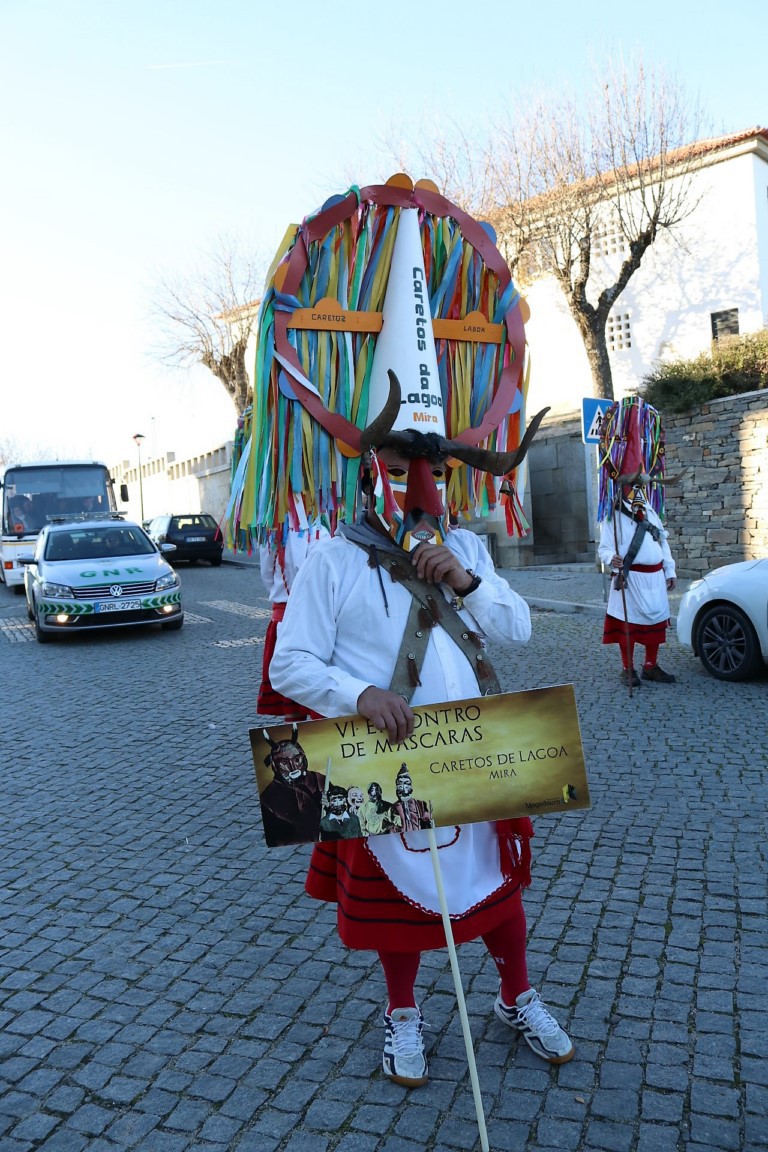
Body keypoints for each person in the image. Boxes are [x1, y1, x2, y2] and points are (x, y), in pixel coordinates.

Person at [270, 417, 574, 1088]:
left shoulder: (467, 545)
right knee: (399, 896)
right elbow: (290, 665)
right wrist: (360, 694)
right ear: (373, 474)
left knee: (496, 883)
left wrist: (467, 582)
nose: (418, 486)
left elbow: (518, 629)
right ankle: (403, 1013)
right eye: (400, 470)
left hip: (476, 752)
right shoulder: (332, 558)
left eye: (429, 471)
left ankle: (516, 996)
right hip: (385, 762)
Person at [597, 397, 677, 687]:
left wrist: (670, 571)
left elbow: (662, 542)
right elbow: (604, 548)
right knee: (628, 628)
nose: (639, 490)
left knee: (654, 627)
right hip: (629, 580)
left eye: (641, 486)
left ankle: (651, 666)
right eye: (634, 486)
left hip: (654, 579)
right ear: (624, 488)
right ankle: (628, 669)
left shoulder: (652, 513)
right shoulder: (612, 517)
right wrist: (610, 559)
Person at [257, 524, 330, 720]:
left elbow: (267, 577)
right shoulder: (320, 533)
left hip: (284, 618)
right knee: (317, 699)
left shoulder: (272, 534)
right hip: (309, 621)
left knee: (293, 705)